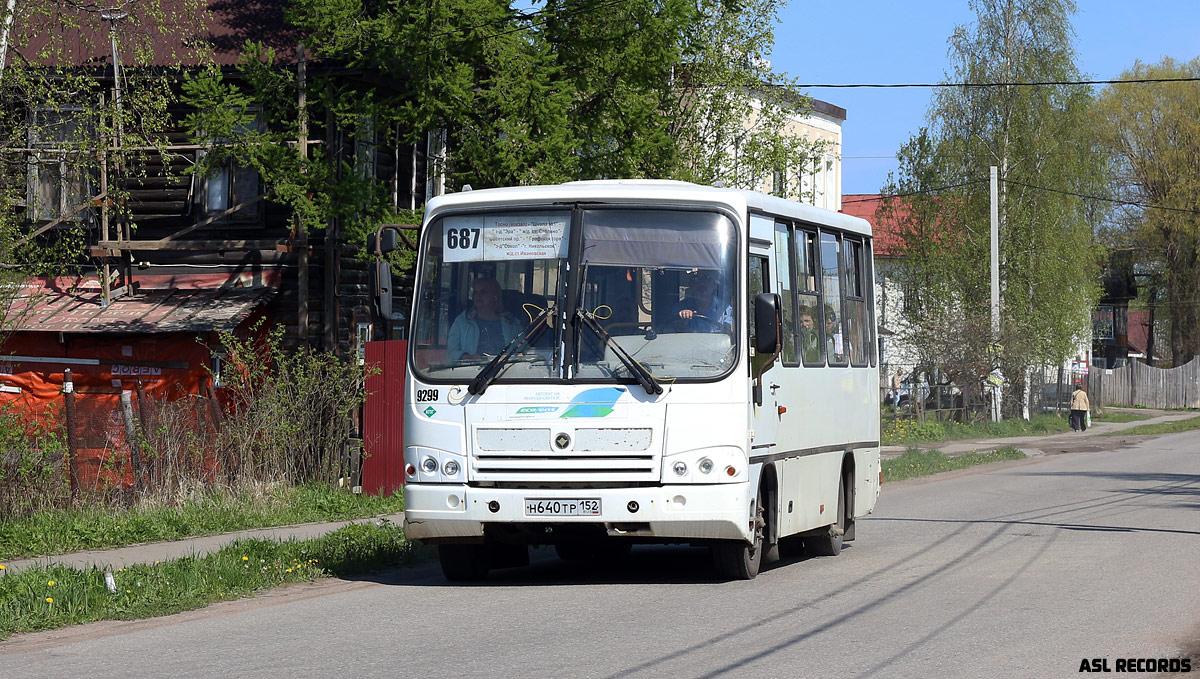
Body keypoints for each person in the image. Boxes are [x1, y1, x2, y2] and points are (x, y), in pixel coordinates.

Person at [446, 277, 524, 363]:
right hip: (470, 373)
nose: (477, 296)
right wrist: (465, 357)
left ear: (495, 297)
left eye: (483, 292)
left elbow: (523, 351)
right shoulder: (462, 321)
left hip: (505, 373)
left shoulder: (511, 323)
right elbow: (450, 353)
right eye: (475, 292)